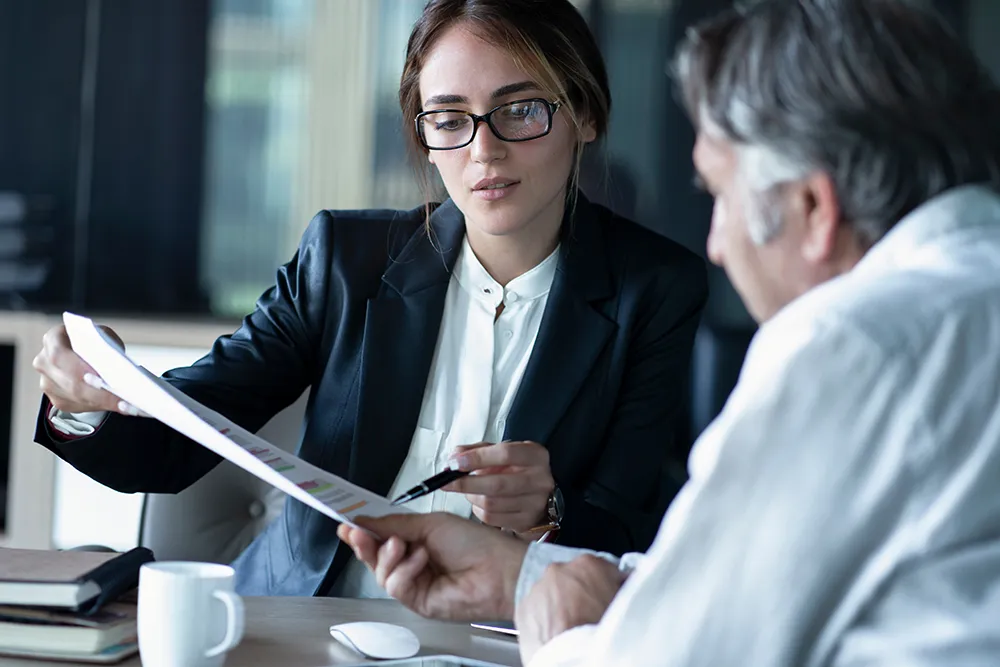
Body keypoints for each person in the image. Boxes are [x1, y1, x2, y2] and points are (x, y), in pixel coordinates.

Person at [339, 0, 1000, 664]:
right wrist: (523, 578)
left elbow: (677, 654)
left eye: (720, 196)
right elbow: (739, 589)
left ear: (813, 208)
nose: (716, 244)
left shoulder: (851, 345)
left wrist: (559, 634)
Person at [31, 0, 708, 598]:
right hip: (307, 623)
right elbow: (178, 438)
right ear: (425, 137)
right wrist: (84, 399)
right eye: (450, 119)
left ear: (584, 114)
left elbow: (634, 534)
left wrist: (549, 511)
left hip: (503, 640)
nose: (484, 151)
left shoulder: (655, 289)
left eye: (521, 110)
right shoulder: (344, 260)